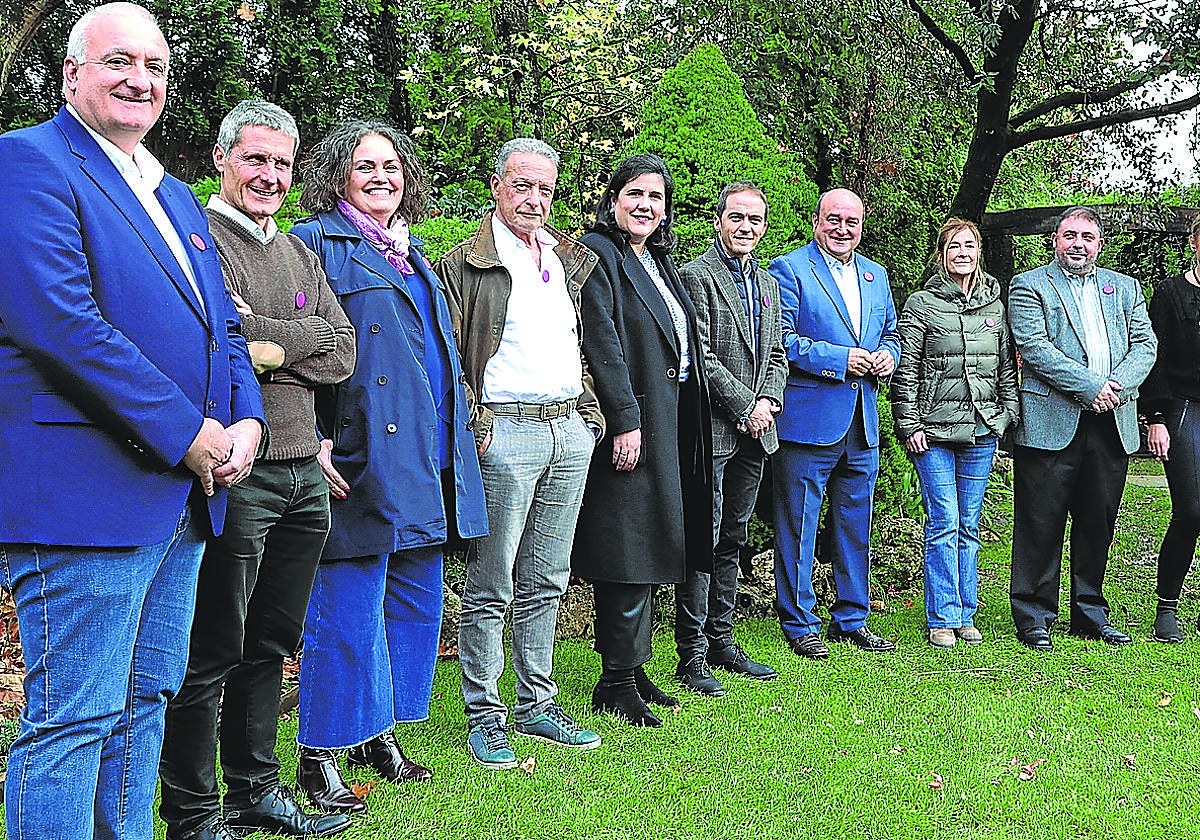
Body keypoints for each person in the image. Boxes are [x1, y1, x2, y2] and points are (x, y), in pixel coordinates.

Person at [0, 5, 264, 839]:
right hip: (85, 499)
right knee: (73, 719)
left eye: (154, 66)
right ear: (71, 73)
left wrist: (247, 421)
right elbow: (61, 324)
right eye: (119, 61)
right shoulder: (26, 162)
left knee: (144, 701)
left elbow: (223, 327)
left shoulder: (174, 193)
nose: (139, 79)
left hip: (182, 500)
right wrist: (190, 432)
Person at [158, 101, 356, 840]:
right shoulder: (198, 237)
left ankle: (255, 791)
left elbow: (344, 352)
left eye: (281, 162)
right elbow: (213, 341)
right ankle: (192, 811)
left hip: (305, 472)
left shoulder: (298, 251)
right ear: (221, 159)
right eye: (255, 159)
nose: (270, 175)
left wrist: (268, 340)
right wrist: (297, 339)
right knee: (213, 646)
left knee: (272, 643)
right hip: (239, 473)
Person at [288, 119, 487, 812]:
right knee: (346, 608)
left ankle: (378, 734)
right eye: (365, 166)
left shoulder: (412, 253)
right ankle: (320, 752)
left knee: (411, 603)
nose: (382, 177)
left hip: (426, 457)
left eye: (392, 166)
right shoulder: (314, 243)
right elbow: (292, 350)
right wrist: (312, 436)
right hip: (358, 455)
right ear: (337, 175)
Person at [438, 138, 603, 768]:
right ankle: (486, 715)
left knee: (548, 577)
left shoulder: (566, 258)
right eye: (523, 185)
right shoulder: (467, 263)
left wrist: (589, 416)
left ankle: (537, 703)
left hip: (567, 429)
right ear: (497, 186)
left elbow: (577, 343)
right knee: (491, 581)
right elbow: (451, 356)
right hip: (504, 432)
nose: (535, 199)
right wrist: (476, 423)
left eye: (545, 188)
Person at [575, 153, 713, 727]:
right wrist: (625, 419)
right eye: (634, 193)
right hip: (633, 422)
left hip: (671, 418)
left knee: (655, 542)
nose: (645, 205)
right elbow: (602, 341)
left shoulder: (656, 259)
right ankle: (615, 679)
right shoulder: (600, 254)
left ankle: (633, 669)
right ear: (612, 201)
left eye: (656, 197)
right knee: (627, 547)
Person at [1008, 206, 1156, 651]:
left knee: (1097, 522)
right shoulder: (1029, 285)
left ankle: (1089, 613)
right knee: (1040, 522)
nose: (1078, 244)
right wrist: (1092, 386)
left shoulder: (1125, 288)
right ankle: (1034, 615)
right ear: (1054, 240)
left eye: (1087, 237)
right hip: (1051, 420)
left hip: (1111, 422)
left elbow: (1145, 345)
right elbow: (1035, 348)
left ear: (1099, 245)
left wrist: (1114, 388)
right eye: (1070, 235)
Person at [768, 188, 901, 659]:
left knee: (855, 525)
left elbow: (891, 332)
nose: (843, 229)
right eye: (834, 219)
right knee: (799, 527)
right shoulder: (789, 270)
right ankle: (799, 621)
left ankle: (851, 618)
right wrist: (840, 359)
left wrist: (889, 356)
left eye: (852, 221)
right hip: (809, 422)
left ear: (862, 225)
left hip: (862, 423)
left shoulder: (876, 275)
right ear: (816, 221)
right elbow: (781, 340)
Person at [676, 181, 786, 691]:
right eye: (736, 217)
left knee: (734, 537)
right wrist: (745, 406)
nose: (746, 227)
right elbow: (700, 355)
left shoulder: (767, 283)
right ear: (718, 220)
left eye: (755, 219)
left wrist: (769, 403)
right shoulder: (696, 277)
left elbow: (777, 354)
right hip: (715, 429)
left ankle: (722, 639)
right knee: (705, 537)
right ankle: (692, 652)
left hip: (756, 433)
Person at [890, 218, 1018, 649]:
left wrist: (1005, 416)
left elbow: (1005, 367)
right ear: (942, 254)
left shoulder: (994, 303)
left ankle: (966, 614)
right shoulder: (921, 304)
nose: (962, 253)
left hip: (982, 430)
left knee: (969, 524)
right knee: (944, 521)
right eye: (954, 247)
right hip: (933, 433)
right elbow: (906, 369)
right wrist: (909, 423)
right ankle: (942, 616)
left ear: (979, 252)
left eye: (969, 246)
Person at [1133, 217, 1200, 642]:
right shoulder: (1170, 292)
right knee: (1192, 510)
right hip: (1184, 408)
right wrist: (1156, 418)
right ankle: (1167, 606)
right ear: (1194, 241)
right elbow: (1154, 358)